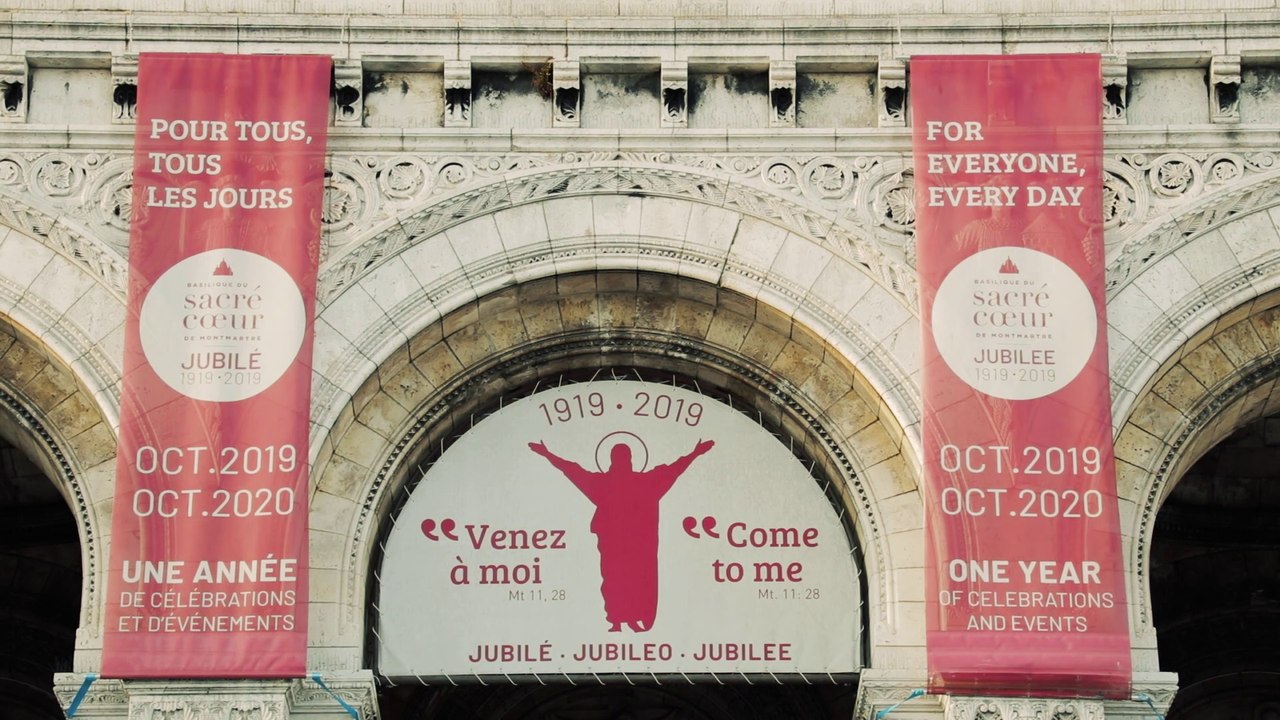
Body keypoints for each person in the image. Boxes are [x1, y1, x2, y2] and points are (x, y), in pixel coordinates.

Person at [529, 438, 714, 632]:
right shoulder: (626, 483)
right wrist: (547, 454)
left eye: (623, 456)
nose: (623, 460)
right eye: (621, 457)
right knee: (616, 578)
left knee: (628, 579)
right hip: (615, 543)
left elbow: (674, 470)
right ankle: (617, 620)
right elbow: (573, 471)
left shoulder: (627, 482)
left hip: (630, 544)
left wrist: (695, 453)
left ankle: (630, 619)